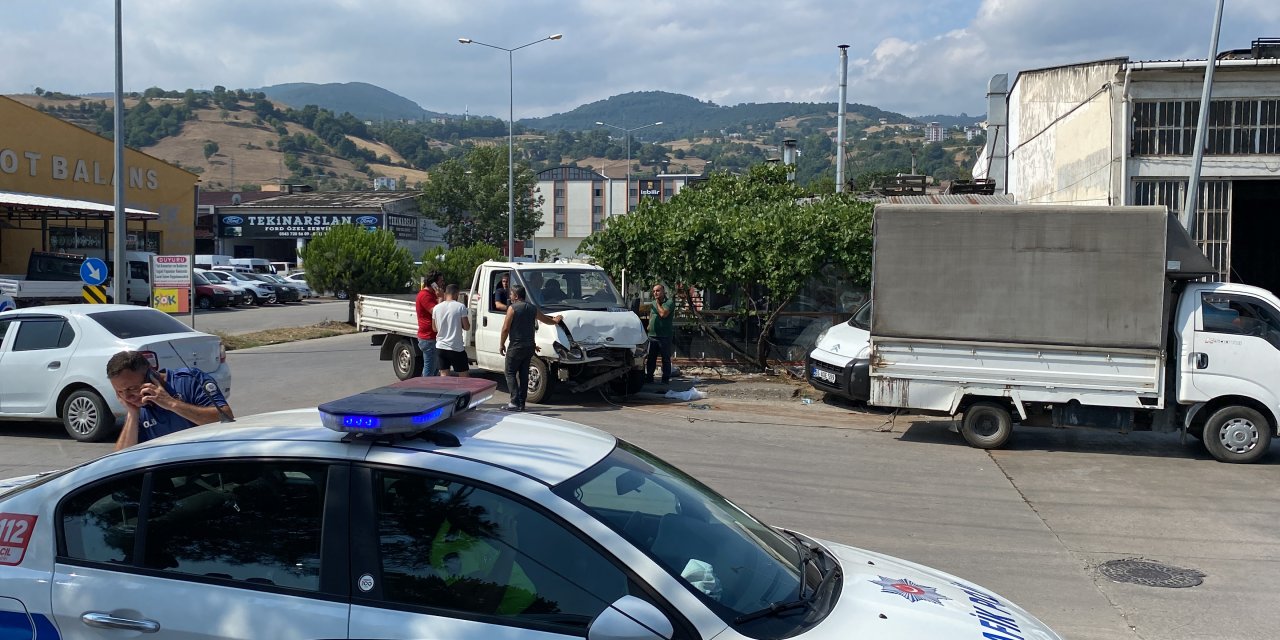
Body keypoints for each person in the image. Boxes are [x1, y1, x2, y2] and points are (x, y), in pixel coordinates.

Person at [108, 350, 234, 450]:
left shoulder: (188, 380)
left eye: (132, 388)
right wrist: (132, 414)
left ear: (151, 375)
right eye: (120, 391)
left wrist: (171, 403)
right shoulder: (137, 408)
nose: (127, 397)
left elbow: (225, 417)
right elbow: (121, 459)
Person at [499, 285, 562, 411]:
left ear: (516, 296)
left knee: (510, 372)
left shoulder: (512, 308)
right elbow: (545, 320)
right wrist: (555, 321)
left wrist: (501, 344)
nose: (510, 297)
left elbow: (505, 328)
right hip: (529, 347)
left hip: (516, 347)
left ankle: (514, 402)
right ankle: (522, 403)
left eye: (511, 294)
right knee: (523, 374)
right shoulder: (532, 308)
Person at [432, 284, 472, 377]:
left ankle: (445, 391)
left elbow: (434, 328)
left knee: (444, 375)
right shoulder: (460, 307)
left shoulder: (436, 308)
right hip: (456, 347)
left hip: (441, 346)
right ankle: (463, 391)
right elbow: (466, 327)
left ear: (446, 293)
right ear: (457, 294)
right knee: (463, 376)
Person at [643, 283, 676, 385]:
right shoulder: (653, 302)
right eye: (653, 291)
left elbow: (663, 314)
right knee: (651, 358)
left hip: (664, 336)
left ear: (663, 291)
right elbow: (652, 314)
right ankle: (649, 377)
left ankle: (665, 378)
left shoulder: (669, 302)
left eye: (657, 291)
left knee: (665, 358)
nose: (655, 293)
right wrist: (649, 324)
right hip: (652, 335)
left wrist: (657, 303)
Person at [415, 271, 442, 377]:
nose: (442, 283)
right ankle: (425, 390)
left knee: (435, 369)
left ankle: (431, 390)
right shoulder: (425, 295)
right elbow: (436, 312)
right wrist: (440, 298)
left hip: (433, 336)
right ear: (433, 283)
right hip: (428, 338)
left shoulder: (431, 294)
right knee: (429, 369)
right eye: (440, 281)